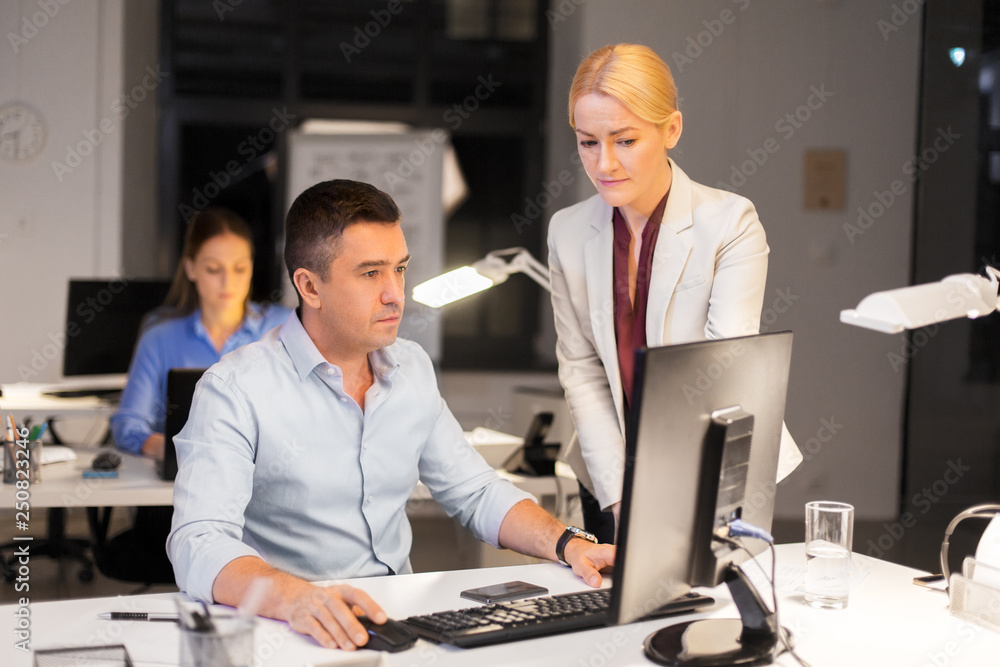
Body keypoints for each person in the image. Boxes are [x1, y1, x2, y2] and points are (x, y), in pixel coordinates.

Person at [167, 179, 615, 651]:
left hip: (397, 622)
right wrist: (297, 598)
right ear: (309, 286)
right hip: (291, 629)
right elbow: (198, 540)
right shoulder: (234, 389)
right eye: (370, 274)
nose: (395, 294)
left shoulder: (412, 368)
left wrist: (570, 542)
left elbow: (476, 492)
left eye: (399, 269)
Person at [548, 44, 800, 544]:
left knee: (713, 616)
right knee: (612, 615)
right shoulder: (568, 232)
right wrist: (621, 499)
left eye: (624, 140)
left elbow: (721, 370)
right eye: (587, 143)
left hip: (710, 462)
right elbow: (582, 371)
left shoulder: (730, 222)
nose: (604, 163)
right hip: (609, 469)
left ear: (672, 129)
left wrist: (663, 508)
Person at [104, 208, 289, 583]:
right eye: (213, 268)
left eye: (239, 268)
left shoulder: (283, 327)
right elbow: (128, 423)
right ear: (190, 269)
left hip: (270, 493)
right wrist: (169, 447)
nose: (228, 281)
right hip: (182, 495)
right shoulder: (161, 336)